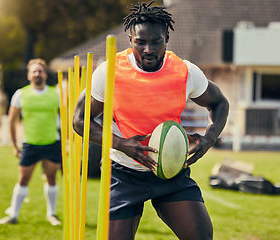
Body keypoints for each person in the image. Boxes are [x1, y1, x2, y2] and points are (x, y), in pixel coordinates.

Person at [73, 1, 229, 239]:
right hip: (122, 172)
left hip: (170, 171)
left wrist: (209, 138)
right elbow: (80, 121)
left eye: (156, 42)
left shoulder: (185, 71)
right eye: (140, 42)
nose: (148, 49)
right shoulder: (109, 71)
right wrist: (122, 144)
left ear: (166, 38)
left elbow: (219, 103)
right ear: (130, 39)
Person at [0, 58, 62, 226]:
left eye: (40, 71)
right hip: (30, 144)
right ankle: (13, 215)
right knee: (23, 180)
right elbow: (12, 121)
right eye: (34, 71)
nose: (37, 73)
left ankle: (52, 214)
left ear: (46, 74)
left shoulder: (56, 93)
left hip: (52, 142)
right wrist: (14, 145)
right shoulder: (21, 94)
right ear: (28, 75)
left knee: (51, 179)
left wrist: (67, 143)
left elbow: (67, 118)